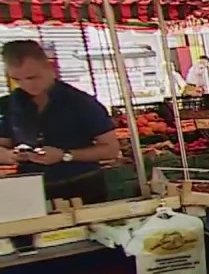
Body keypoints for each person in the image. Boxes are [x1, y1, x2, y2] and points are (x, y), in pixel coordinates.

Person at [0, 40, 121, 203]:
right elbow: (3, 144)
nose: (27, 84)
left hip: (82, 186)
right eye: (17, 79)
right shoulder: (10, 105)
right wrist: (9, 155)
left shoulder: (80, 102)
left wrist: (65, 155)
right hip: (33, 190)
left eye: (32, 77)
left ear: (49, 67)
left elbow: (111, 149)